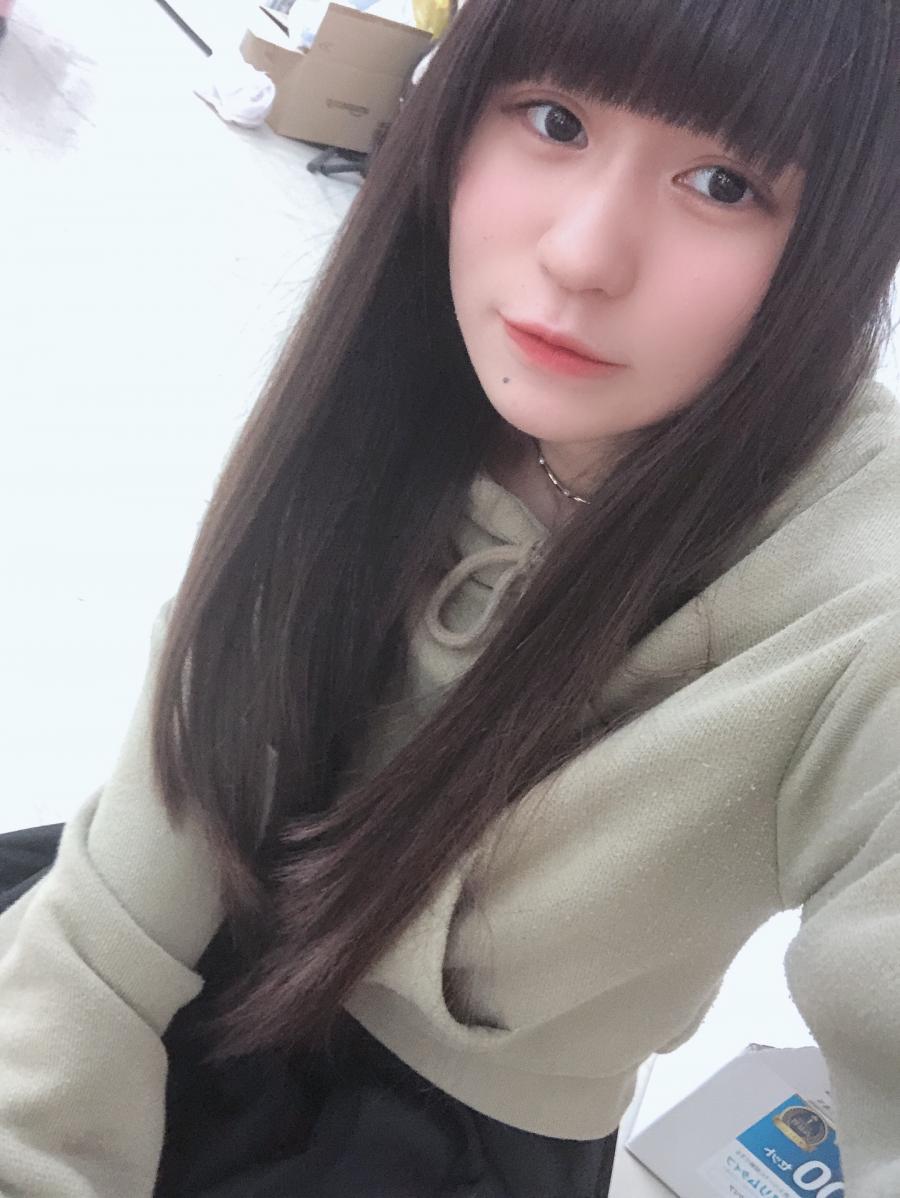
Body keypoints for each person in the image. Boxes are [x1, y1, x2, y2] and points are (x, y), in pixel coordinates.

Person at [1, 0, 898, 1194]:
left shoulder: (859, 590)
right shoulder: (405, 355)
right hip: (165, 927)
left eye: (723, 184)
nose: (582, 254)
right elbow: (156, 824)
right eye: (554, 120)